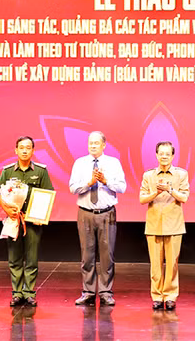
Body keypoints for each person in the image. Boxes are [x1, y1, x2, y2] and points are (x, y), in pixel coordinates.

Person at [0, 136, 54, 307]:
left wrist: (40, 215)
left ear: (33, 151)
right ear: (16, 150)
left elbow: (47, 195)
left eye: (28, 147)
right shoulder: (8, 171)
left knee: (32, 258)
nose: (25, 150)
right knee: (14, 258)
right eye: (21, 147)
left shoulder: (41, 171)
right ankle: (17, 293)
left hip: (33, 222)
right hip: (13, 221)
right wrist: (7, 210)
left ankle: (29, 292)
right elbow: (1, 197)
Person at [69, 131, 126, 306]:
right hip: (86, 212)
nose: (93, 146)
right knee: (87, 255)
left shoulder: (113, 163)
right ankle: (88, 291)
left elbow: (122, 187)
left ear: (103, 145)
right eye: (90, 143)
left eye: (96, 143)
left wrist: (106, 181)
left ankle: (106, 291)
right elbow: (72, 188)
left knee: (107, 255)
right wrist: (89, 182)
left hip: (106, 213)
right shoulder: (80, 163)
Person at [139, 141, 190, 310]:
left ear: (173, 156)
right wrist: (156, 192)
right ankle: (157, 296)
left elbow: (184, 197)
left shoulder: (181, 174)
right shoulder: (149, 176)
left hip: (174, 225)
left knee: (172, 263)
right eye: (161, 153)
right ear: (156, 155)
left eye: (167, 154)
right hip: (153, 224)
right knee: (155, 264)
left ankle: (170, 296)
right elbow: (142, 199)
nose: (164, 156)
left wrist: (170, 190)